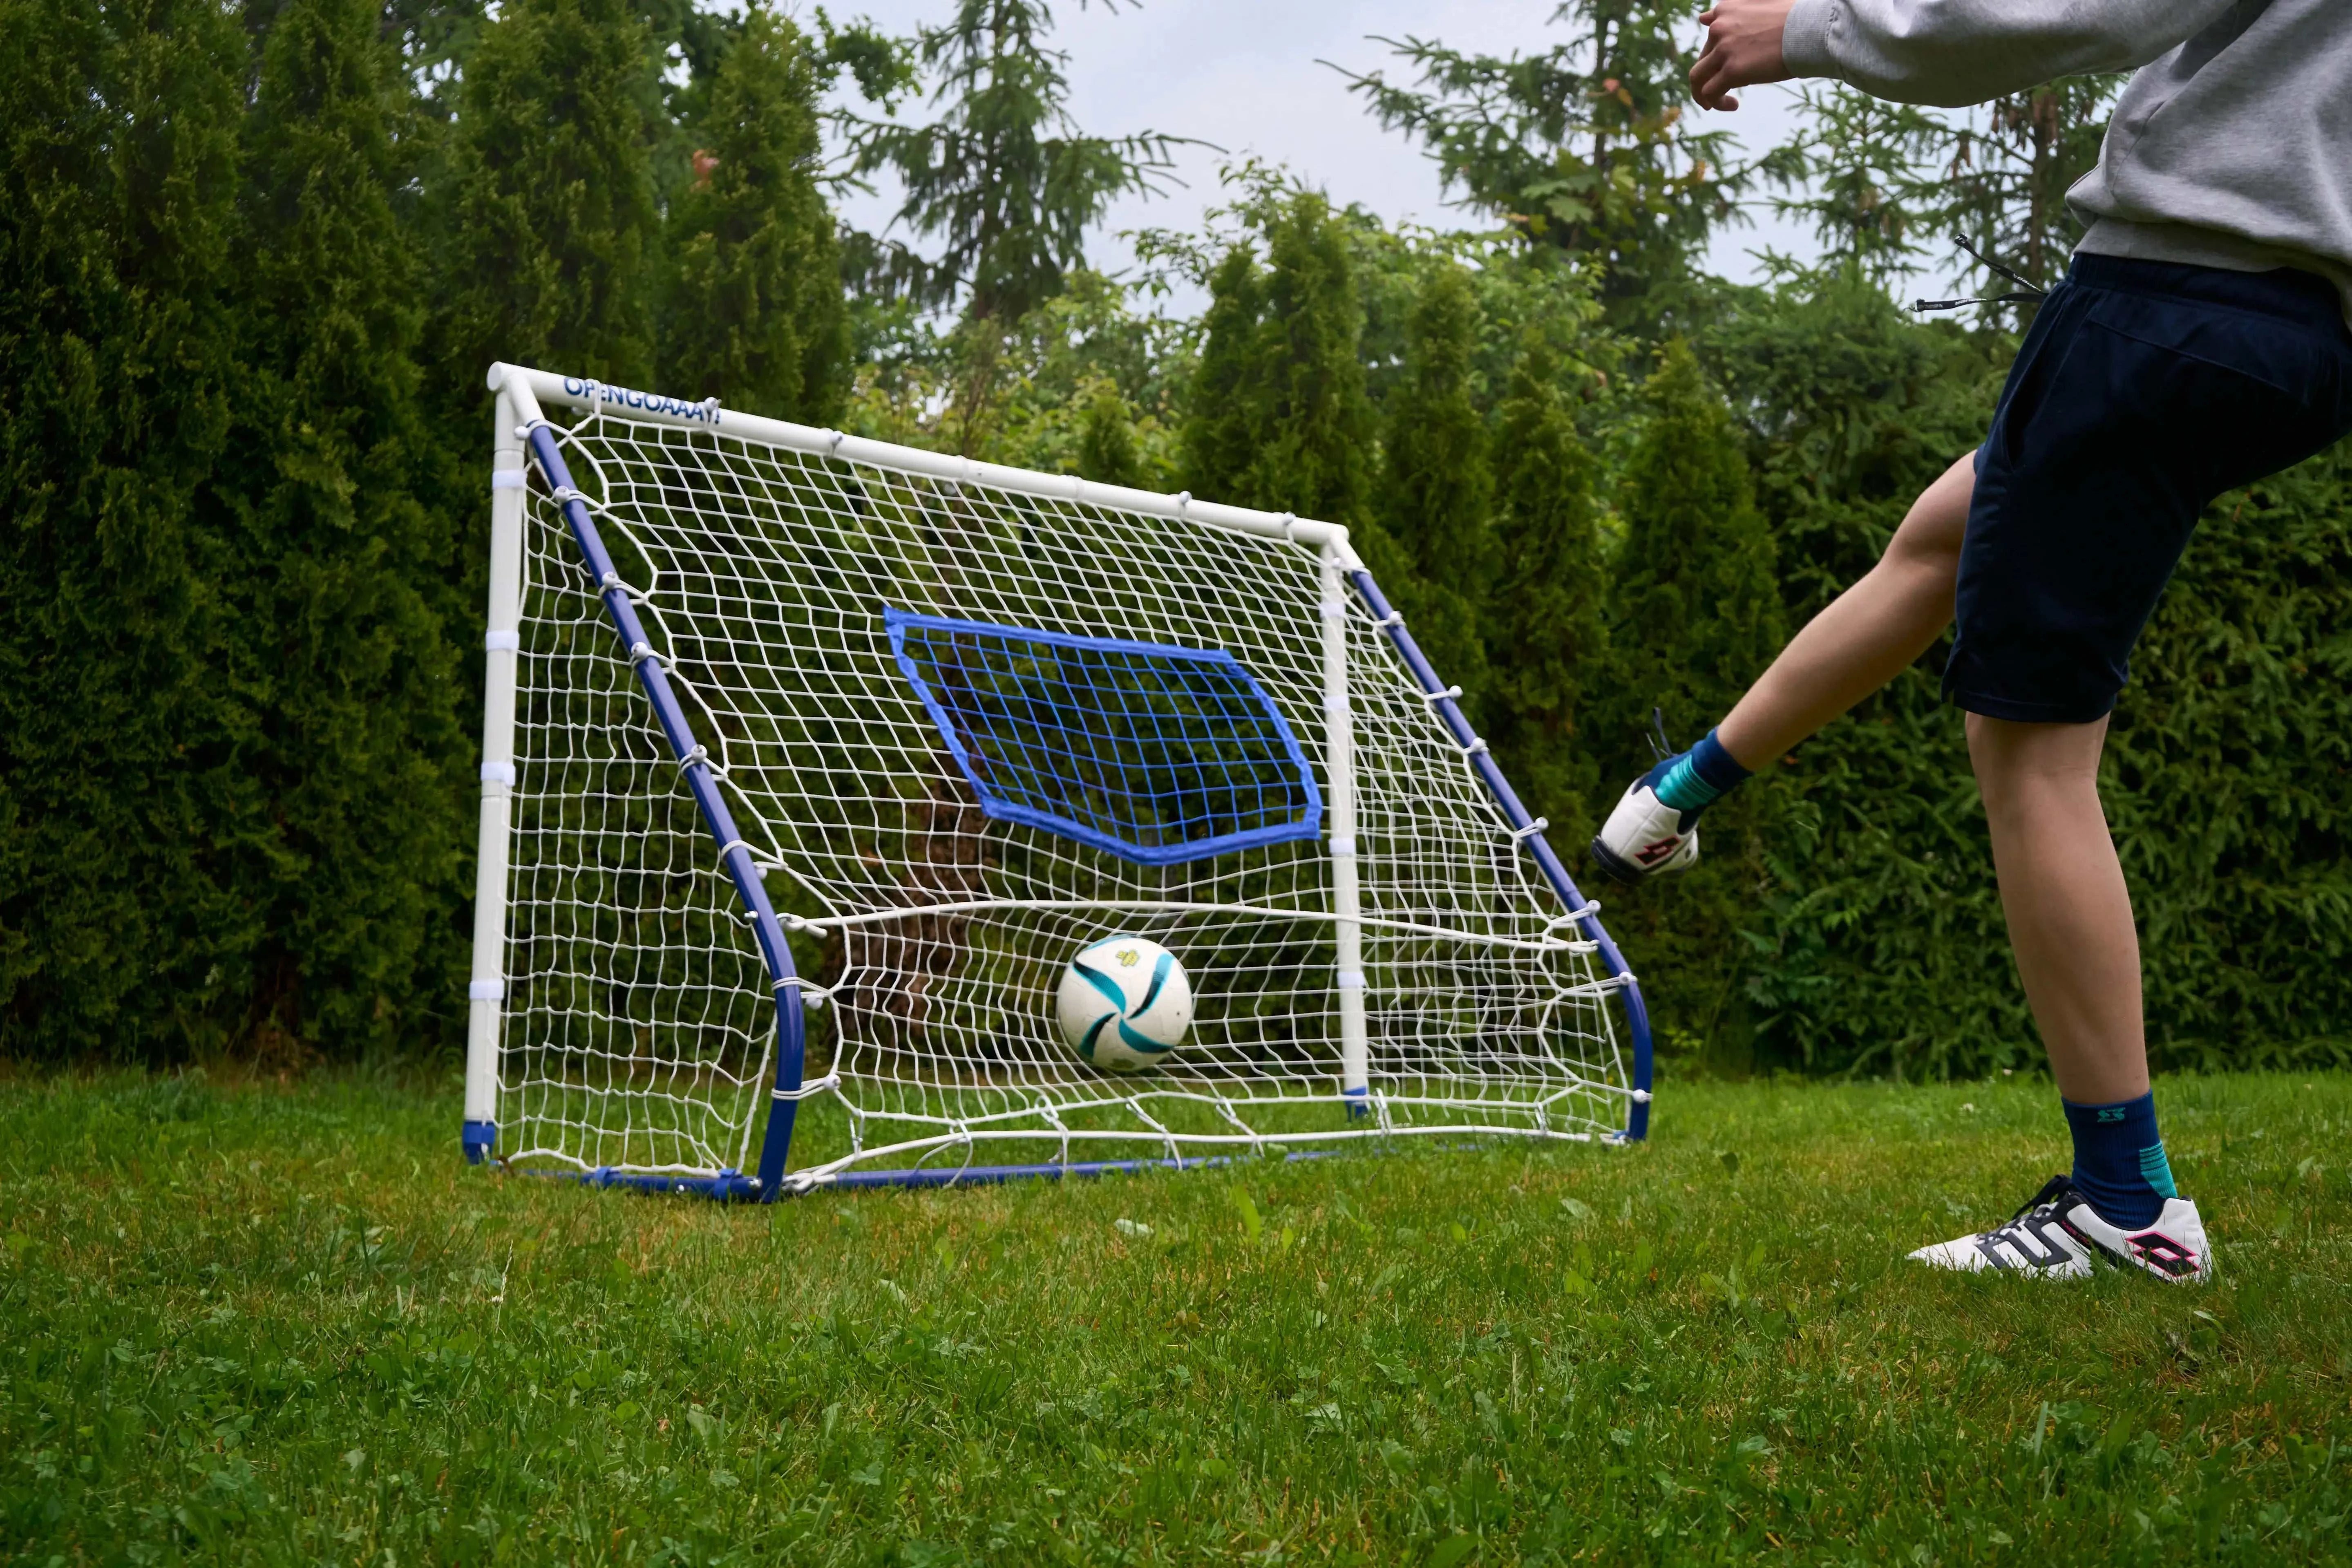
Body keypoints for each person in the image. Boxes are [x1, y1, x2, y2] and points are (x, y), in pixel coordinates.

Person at [1594, 0, 2352, 1282]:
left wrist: (1813, 31)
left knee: (2033, 755)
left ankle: (2127, 1208)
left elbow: (2080, 9)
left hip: (2177, 290)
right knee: (1950, 534)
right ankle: (1674, 798)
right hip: (2300, 331)